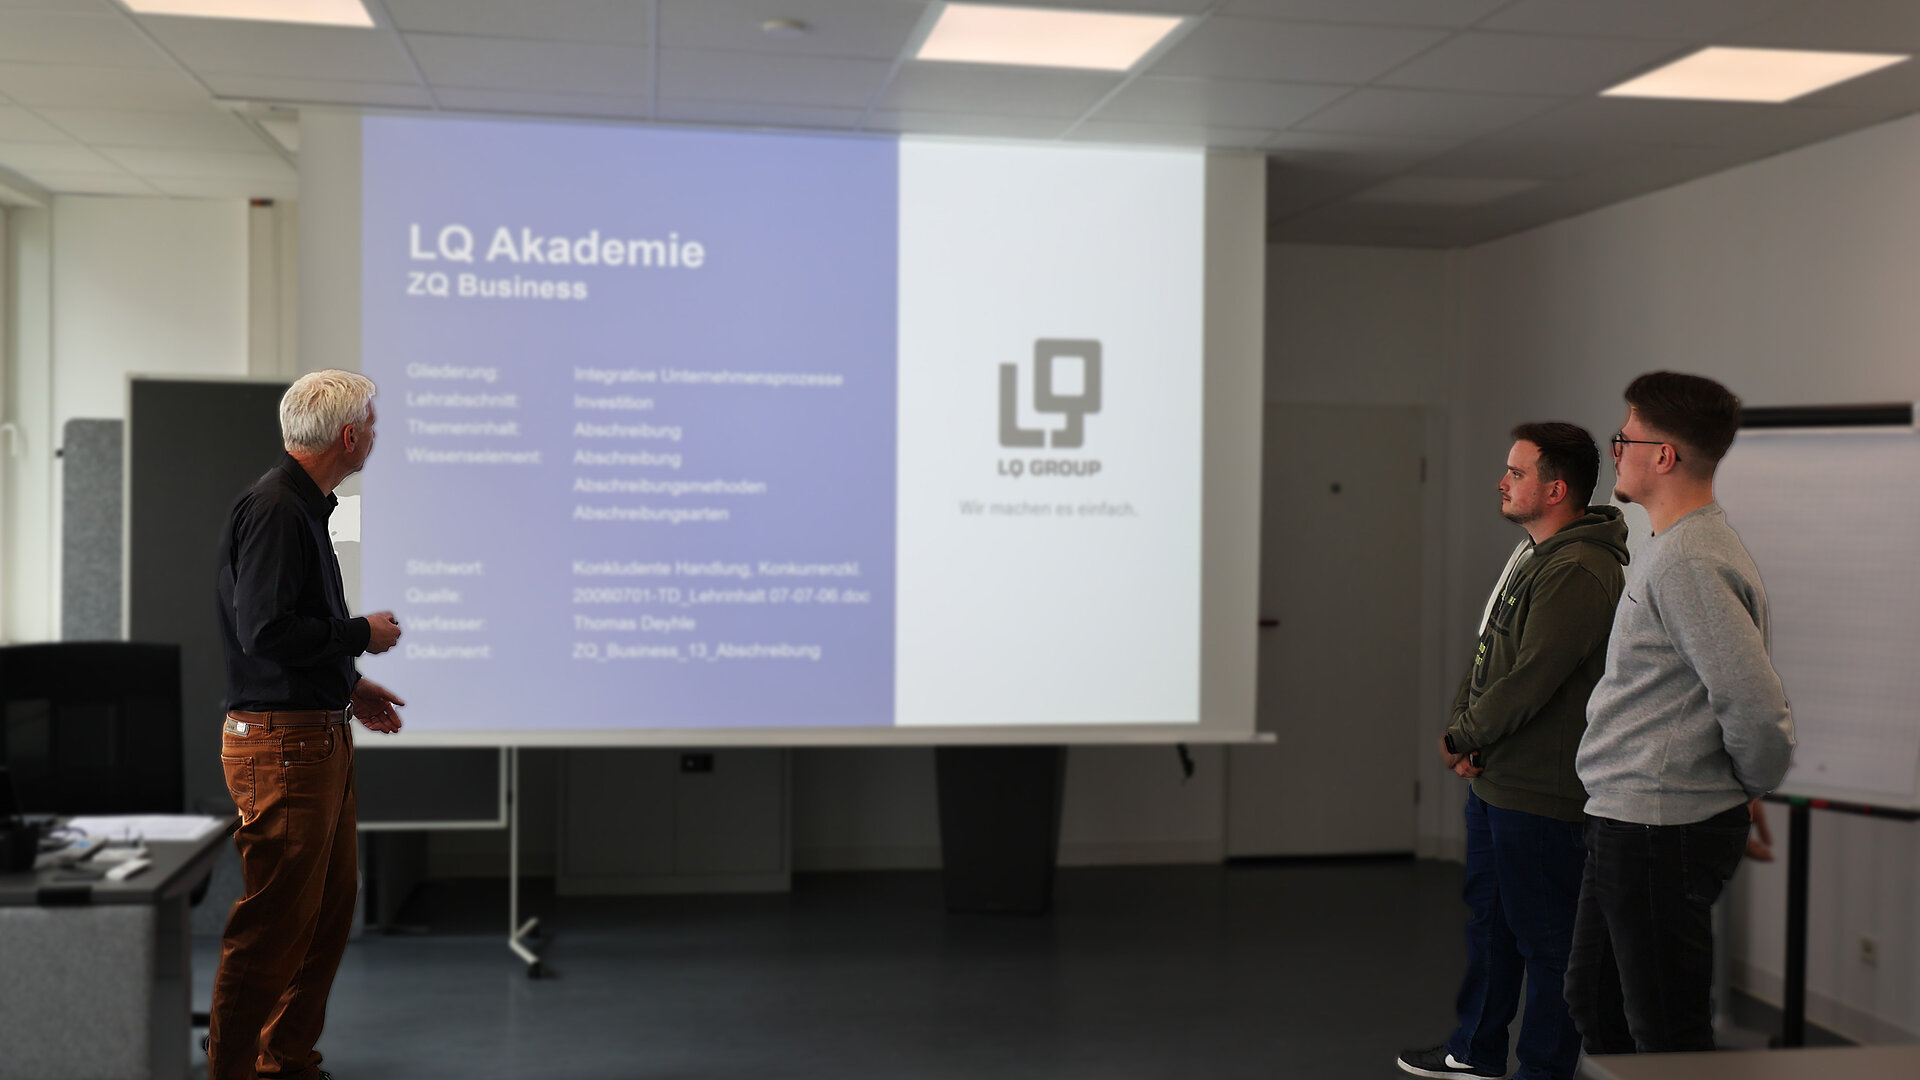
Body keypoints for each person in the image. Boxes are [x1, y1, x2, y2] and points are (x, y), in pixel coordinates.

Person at [1564, 372, 1795, 1056]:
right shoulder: (1670, 546)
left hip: (1658, 828)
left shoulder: (1689, 561)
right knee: (1594, 1000)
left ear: (1663, 455)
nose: (1616, 452)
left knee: (1667, 1031)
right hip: (1630, 815)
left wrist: (1742, 784)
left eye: (1624, 439)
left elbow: (1753, 706)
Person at [1399, 424, 1629, 1080]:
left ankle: (1542, 1072)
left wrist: (1465, 736)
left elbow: (1531, 679)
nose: (1502, 482)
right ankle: (1475, 1052)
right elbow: (1488, 654)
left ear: (1556, 490)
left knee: (1549, 946)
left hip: (1542, 795)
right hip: (1499, 782)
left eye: (1517, 472)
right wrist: (1464, 730)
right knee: (1492, 930)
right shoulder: (1535, 555)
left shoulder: (1579, 569)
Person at [208, 369, 408, 1080]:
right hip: (284, 747)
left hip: (313, 735)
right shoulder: (276, 510)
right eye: (373, 423)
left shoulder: (304, 506)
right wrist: (359, 635)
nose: (377, 434)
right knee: (271, 929)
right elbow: (265, 633)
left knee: (324, 913)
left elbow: (290, 628)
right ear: (348, 435)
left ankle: (285, 1063)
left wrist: (348, 684)